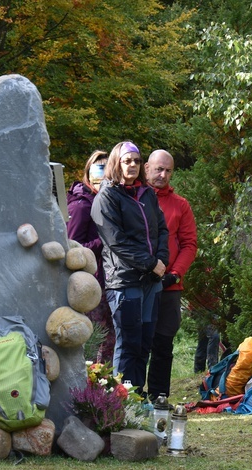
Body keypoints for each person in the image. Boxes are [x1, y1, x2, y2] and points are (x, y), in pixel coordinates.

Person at [90, 141, 169, 393]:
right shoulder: (107, 197)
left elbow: (162, 230)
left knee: (145, 342)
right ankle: (122, 401)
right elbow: (116, 241)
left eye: (136, 161)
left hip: (151, 282)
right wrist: (151, 263)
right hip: (125, 281)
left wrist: (162, 260)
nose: (133, 165)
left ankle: (137, 396)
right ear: (117, 163)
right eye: (127, 161)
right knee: (129, 343)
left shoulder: (146, 194)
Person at [143, 149, 198, 399]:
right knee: (136, 344)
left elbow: (189, 244)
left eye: (168, 171)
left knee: (163, 345)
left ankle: (158, 399)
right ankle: (129, 396)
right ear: (146, 168)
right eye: (158, 169)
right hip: (137, 283)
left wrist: (175, 274)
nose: (163, 175)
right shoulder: (133, 198)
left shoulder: (180, 205)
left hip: (169, 287)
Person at [65, 150, 117, 363]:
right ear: (88, 172)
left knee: (111, 337)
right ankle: (91, 389)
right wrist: (105, 241)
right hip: (90, 284)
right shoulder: (81, 205)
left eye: (108, 169)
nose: (104, 175)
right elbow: (73, 247)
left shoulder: (107, 202)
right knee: (94, 337)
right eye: (99, 169)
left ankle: (107, 389)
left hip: (110, 280)